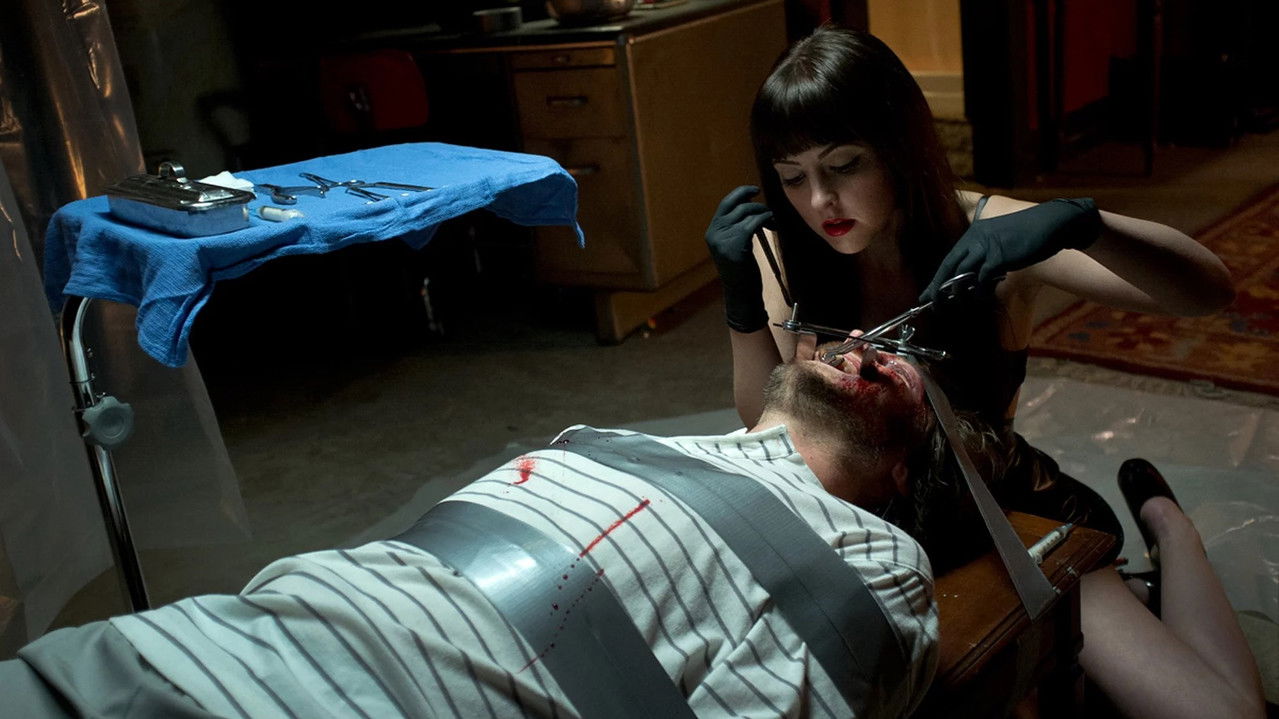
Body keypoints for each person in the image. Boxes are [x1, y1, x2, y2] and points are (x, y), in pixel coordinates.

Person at [1, 341, 962, 719]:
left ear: (905, 471)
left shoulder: (875, 552)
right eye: (862, 338)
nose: (870, 348)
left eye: (904, 369)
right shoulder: (609, 439)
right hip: (178, 649)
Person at [704, 24, 1235, 551]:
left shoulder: (988, 231)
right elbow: (768, 424)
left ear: (899, 147)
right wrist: (741, 307)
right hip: (871, 514)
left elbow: (1208, 291)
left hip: (1002, 506)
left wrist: (1086, 224)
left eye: (844, 165)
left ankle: (1166, 523)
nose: (820, 200)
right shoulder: (784, 247)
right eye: (793, 177)